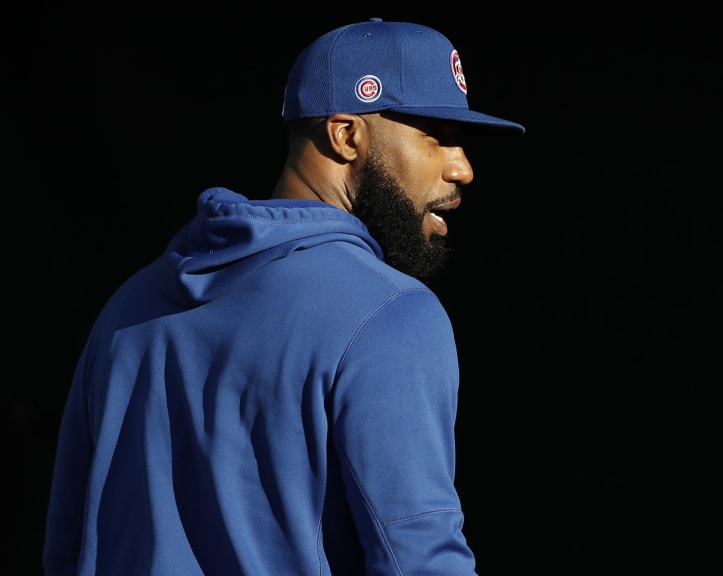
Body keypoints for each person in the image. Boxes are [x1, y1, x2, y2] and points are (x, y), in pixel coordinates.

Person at [43, 18, 523, 575]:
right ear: (346, 136)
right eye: (435, 134)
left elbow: (67, 546)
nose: (462, 168)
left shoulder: (131, 306)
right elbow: (419, 561)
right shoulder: (390, 313)